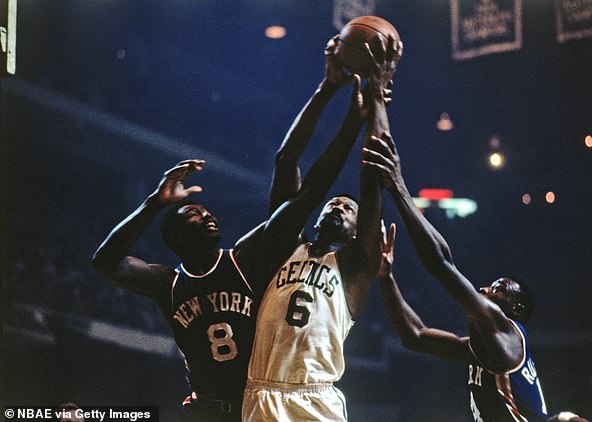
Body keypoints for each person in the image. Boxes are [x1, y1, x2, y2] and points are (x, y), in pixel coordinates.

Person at [92, 37, 371, 422]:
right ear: (173, 235)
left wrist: (339, 107)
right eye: (193, 212)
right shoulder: (168, 284)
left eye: (207, 211)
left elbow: (300, 183)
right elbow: (105, 261)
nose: (208, 215)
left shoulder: (246, 257)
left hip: (257, 406)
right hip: (204, 410)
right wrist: (154, 202)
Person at [242, 36, 403, 422]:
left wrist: (377, 100)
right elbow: (287, 160)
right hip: (261, 394)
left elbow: (373, 177)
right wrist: (327, 88)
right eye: (333, 202)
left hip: (315, 401)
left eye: (348, 208)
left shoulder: (355, 269)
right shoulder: (283, 246)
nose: (337, 205)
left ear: (360, 233)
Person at [362, 132, 548, 421]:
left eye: (499, 288)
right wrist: (386, 277)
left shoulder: (505, 329)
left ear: (516, 309)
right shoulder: (483, 348)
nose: (485, 287)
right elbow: (416, 336)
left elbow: (440, 264)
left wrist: (398, 186)